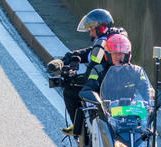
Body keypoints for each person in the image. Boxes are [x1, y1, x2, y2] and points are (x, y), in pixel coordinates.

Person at [47, 8, 127, 136]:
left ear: (100, 28)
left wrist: (70, 79)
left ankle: (79, 129)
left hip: (103, 86)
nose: (90, 32)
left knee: (70, 91)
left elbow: (92, 72)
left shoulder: (104, 44)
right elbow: (88, 53)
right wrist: (65, 59)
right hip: (113, 83)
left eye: (91, 29)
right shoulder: (112, 39)